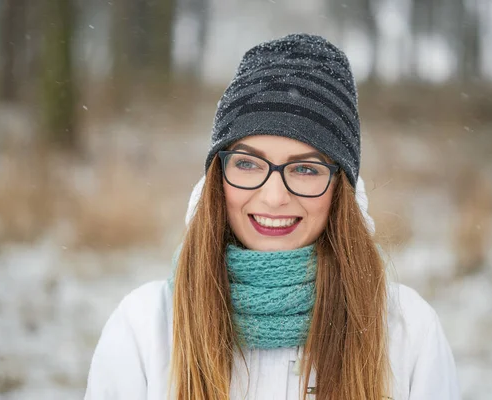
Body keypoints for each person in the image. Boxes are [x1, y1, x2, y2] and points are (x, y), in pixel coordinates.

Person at [84, 33, 459, 400]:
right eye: (247, 163)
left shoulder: (407, 332)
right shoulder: (145, 326)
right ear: (217, 177)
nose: (274, 196)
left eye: (306, 169)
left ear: (340, 189)